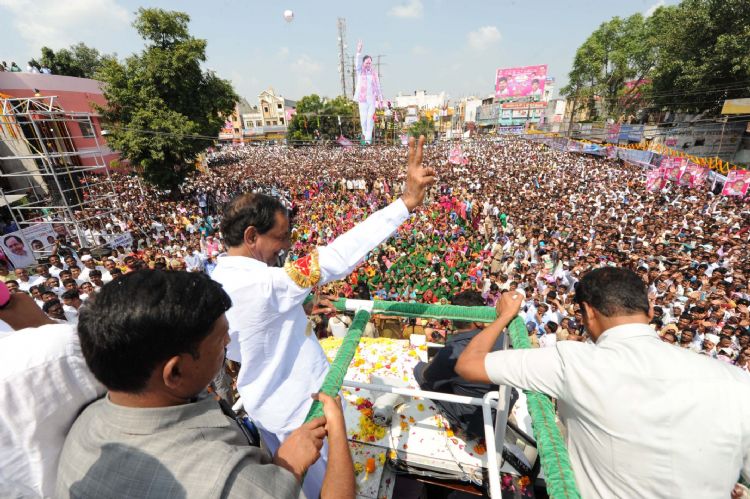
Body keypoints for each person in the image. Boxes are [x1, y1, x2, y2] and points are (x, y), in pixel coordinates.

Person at [211, 136, 434, 498]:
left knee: (294, 482)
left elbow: (242, 343)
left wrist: (290, 314)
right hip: (302, 410)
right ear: (251, 236)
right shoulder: (267, 283)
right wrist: (405, 203)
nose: (286, 247)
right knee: (328, 484)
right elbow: (335, 258)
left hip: (265, 407)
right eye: (281, 237)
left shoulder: (218, 278)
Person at [56, 270, 355, 499]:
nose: (228, 343)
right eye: (221, 339)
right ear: (175, 372)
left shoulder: (84, 424)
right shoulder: (232, 483)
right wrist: (297, 461)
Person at [456, 267, 750, 498]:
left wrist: (505, 316)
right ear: (650, 310)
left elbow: (469, 364)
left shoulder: (572, 361)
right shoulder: (738, 382)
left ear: (588, 313)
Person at [413, 290, 512, 439]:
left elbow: (425, 376)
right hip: (500, 409)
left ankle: (460, 426)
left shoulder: (452, 352)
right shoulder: (503, 338)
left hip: (476, 422)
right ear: (479, 320)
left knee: (421, 372)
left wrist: (423, 365)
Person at [354, 40, 383, 145]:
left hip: (372, 99)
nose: (368, 64)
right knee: (364, 121)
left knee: (370, 119)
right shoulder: (360, 71)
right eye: (367, 63)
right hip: (362, 99)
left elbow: (378, 87)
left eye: (370, 63)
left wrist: (380, 100)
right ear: (363, 63)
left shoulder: (374, 73)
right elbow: (357, 63)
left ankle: (367, 141)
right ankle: (365, 138)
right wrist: (358, 52)